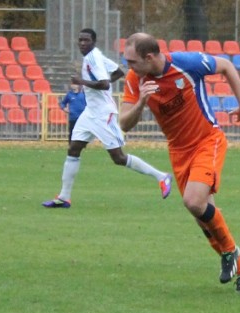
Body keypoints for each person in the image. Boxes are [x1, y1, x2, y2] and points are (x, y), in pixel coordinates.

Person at [118, 33, 240, 294]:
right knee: (202, 216)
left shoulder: (186, 63)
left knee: (193, 201)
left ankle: (229, 252)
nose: (129, 67)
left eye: (132, 61)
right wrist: (142, 102)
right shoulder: (136, 79)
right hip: (178, 152)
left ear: (149, 57)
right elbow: (124, 123)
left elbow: (225, 65)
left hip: (207, 141)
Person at [42, 28, 172, 209]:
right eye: (80, 40)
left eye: (86, 40)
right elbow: (118, 72)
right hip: (90, 113)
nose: (82, 43)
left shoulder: (93, 58)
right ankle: (64, 197)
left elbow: (103, 84)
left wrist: (82, 82)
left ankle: (161, 176)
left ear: (93, 42)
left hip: (103, 114)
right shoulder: (95, 56)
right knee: (73, 148)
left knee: (118, 158)